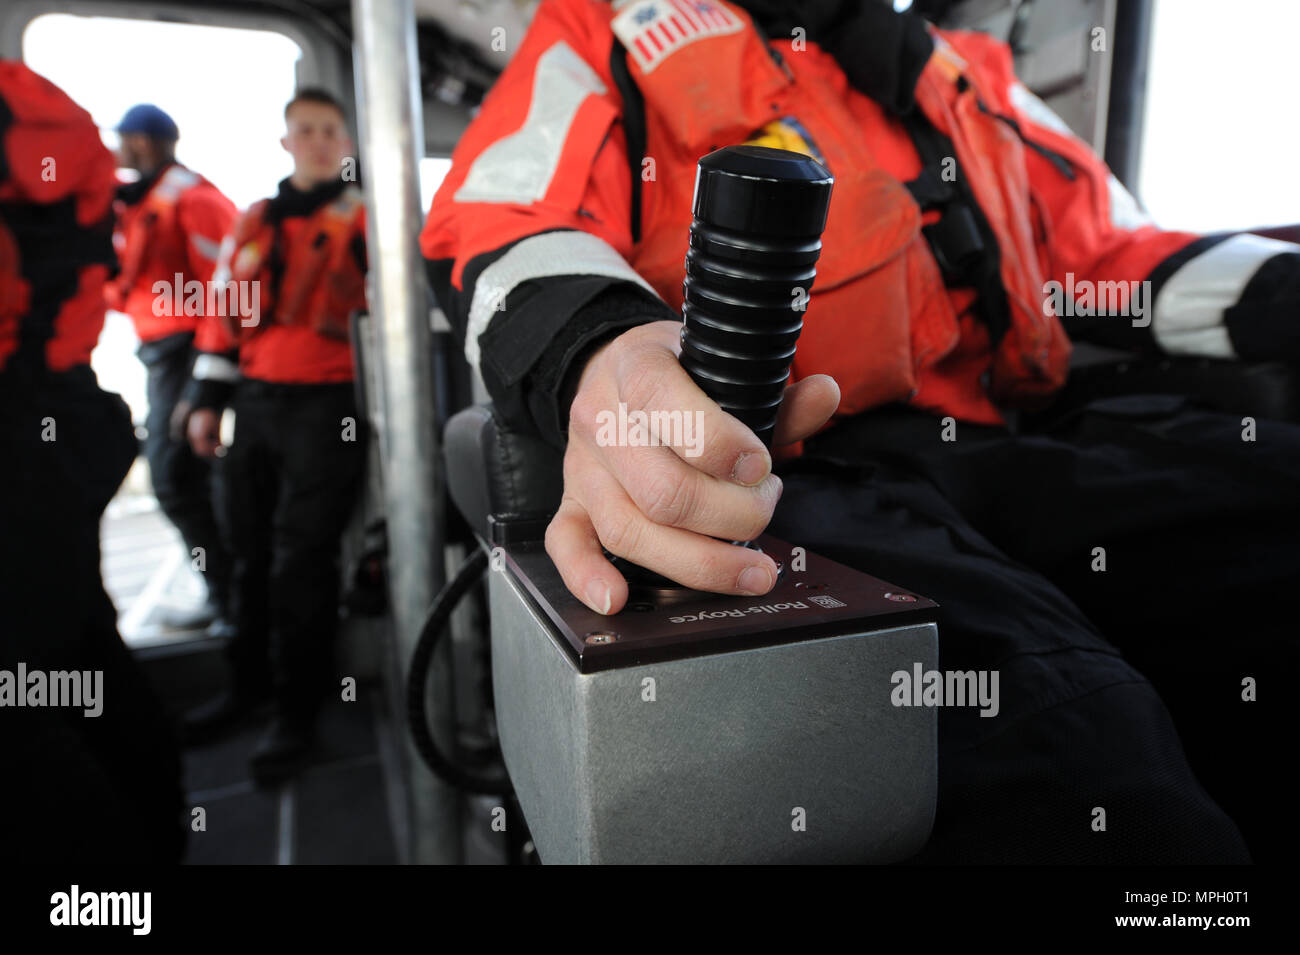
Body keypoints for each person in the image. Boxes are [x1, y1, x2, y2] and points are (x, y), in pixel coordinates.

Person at [421, 0, 1300, 863]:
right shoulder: (602, 29)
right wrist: (598, 347)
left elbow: (1110, 252)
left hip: (1005, 449)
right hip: (793, 477)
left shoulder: (968, 76)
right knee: (1076, 751)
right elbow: (501, 219)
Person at [0, 62, 185, 862]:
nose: (129, 149)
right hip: (64, 401)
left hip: (45, 407)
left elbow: (210, 286)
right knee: (72, 648)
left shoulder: (188, 200)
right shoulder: (63, 142)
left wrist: (207, 386)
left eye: (140, 140)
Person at [180, 88, 367, 786]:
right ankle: (244, 689)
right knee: (245, 551)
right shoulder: (254, 219)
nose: (318, 141)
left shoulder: (369, 217)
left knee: (301, 561)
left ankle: (298, 714)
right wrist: (206, 401)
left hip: (328, 406)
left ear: (345, 143)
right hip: (255, 405)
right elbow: (225, 312)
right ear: (286, 143)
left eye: (329, 130)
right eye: (305, 131)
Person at [108, 103, 237, 634]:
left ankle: (231, 601)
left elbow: (232, 288)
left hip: (191, 354)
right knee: (186, 479)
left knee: (175, 478)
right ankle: (227, 599)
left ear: (142, 141)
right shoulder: (134, 208)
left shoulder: (193, 200)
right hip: (162, 355)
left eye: (123, 140)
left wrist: (208, 379)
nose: (117, 150)